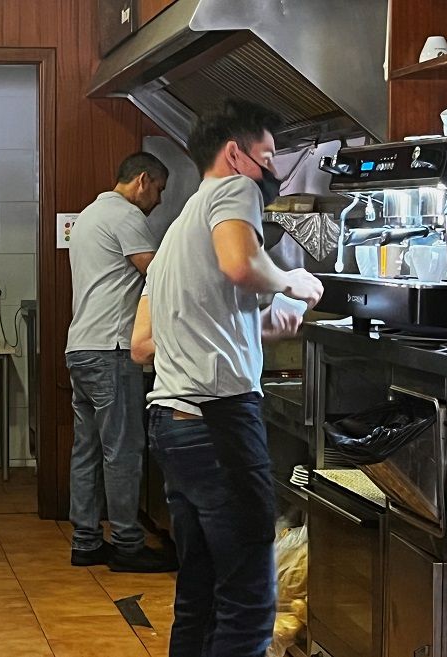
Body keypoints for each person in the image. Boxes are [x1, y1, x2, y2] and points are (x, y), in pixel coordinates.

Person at [129, 99, 323, 657]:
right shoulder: (232, 190)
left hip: (173, 422)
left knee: (202, 594)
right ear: (236, 154)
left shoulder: (175, 233)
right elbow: (241, 265)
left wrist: (259, 327)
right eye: (267, 156)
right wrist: (293, 282)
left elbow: (147, 342)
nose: (272, 171)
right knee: (248, 601)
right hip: (218, 421)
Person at [65, 152, 176, 572]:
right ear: (143, 180)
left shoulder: (91, 214)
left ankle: (87, 541)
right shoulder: (127, 216)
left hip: (80, 347)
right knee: (123, 450)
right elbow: (160, 274)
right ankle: (129, 544)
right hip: (111, 349)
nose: (159, 201)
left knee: (88, 450)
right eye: (160, 190)